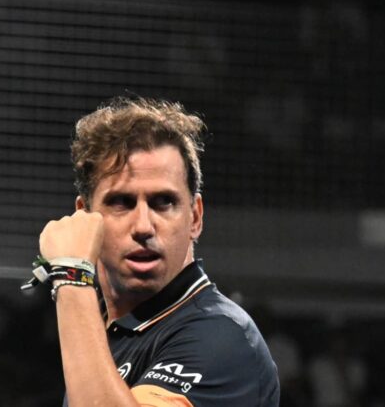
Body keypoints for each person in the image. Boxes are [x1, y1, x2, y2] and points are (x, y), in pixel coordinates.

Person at [36, 96, 280, 406]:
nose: (143, 226)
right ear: (85, 219)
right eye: (121, 202)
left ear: (195, 218)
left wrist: (71, 276)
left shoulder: (222, 336)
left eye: (163, 202)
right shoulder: (109, 333)